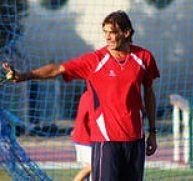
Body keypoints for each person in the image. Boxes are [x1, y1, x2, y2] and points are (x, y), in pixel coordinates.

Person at [3, 10, 159, 181]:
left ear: (126, 32)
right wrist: (23, 76)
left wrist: (152, 131)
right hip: (106, 141)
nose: (107, 37)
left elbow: (149, 94)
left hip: (136, 139)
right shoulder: (94, 60)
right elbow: (57, 69)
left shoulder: (144, 58)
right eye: (105, 32)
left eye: (112, 32)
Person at [72, 90, 92, 181]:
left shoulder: (87, 95)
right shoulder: (90, 96)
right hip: (86, 141)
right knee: (95, 166)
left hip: (86, 140)